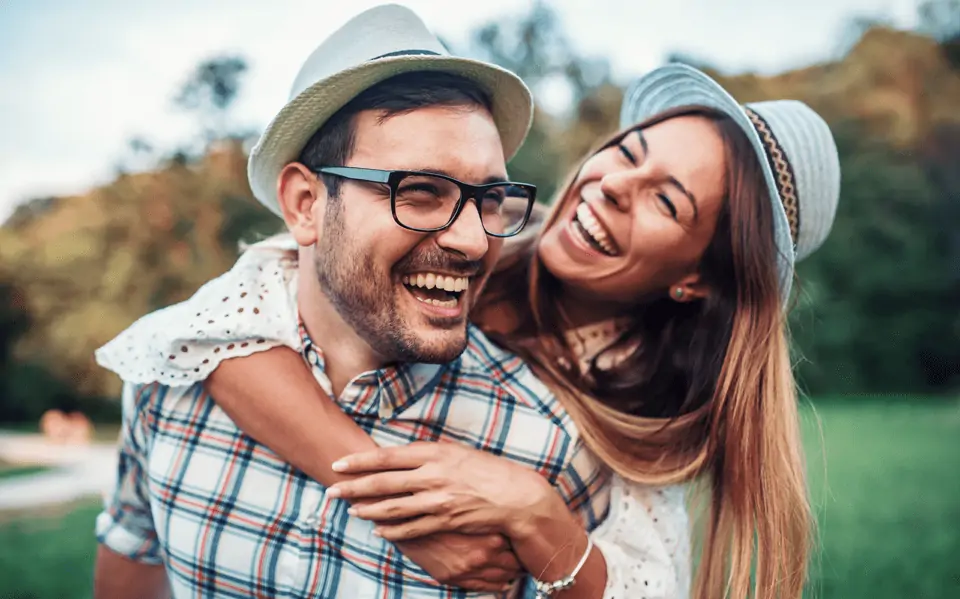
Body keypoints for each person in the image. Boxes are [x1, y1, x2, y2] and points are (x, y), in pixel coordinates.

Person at [99, 61, 841, 598]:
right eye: (627, 152)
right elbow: (221, 324)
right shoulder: (478, 235)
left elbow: (644, 585)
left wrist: (539, 517)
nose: (612, 185)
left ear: (696, 278)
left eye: (667, 202)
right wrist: (399, 506)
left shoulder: (632, 424)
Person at [92, 5, 614, 599]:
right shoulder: (173, 374)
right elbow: (131, 551)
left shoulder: (548, 446)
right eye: (419, 192)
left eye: (491, 198)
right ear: (305, 205)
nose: (473, 240)